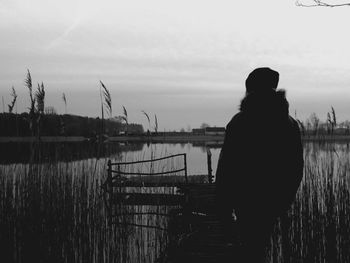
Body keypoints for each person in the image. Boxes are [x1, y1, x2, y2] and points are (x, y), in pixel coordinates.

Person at [216, 67, 304, 262]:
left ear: (250, 90)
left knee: (249, 248)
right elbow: (296, 169)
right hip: (273, 203)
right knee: (259, 247)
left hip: (244, 202)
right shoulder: (289, 125)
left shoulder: (239, 122)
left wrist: (223, 209)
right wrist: (283, 202)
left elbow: (226, 169)